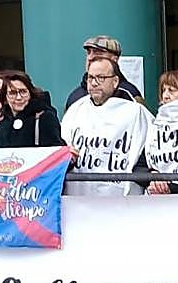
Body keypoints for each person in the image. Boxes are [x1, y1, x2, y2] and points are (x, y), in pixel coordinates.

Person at [62, 57, 152, 196]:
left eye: (101, 77)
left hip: (120, 203)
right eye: (90, 77)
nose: (94, 83)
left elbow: (150, 151)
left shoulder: (136, 112)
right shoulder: (75, 109)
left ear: (115, 81)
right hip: (80, 199)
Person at [64, 35, 143, 110]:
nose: (90, 57)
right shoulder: (75, 97)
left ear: (114, 60)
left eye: (98, 53)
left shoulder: (128, 95)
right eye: (88, 52)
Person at [0, 72, 63, 149]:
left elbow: (55, 153)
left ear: (30, 93)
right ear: (5, 97)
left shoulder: (44, 117)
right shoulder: (1, 121)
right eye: (12, 93)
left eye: (23, 92)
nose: (18, 97)